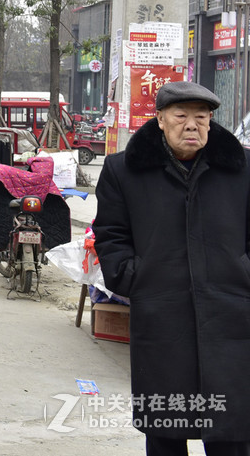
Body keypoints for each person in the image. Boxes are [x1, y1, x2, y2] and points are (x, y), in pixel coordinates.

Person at [94, 82, 250, 456]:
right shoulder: (123, 170)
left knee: (233, 432)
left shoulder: (243, 168)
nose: (191, 125)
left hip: (232, 315)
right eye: (181, 116)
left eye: (201, 117)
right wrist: (135, 277)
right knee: (166, 429)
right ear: (161, 119)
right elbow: (111, 235)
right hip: (160, 314)